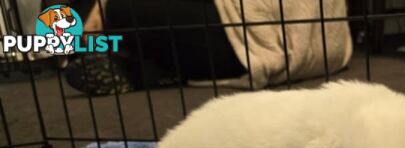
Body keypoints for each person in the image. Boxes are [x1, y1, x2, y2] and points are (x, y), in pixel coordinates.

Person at [63, 0, 353, 95]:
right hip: (323, 44)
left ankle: (141, 63)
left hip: (246, 37)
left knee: (120, 9)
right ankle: (149, 65)